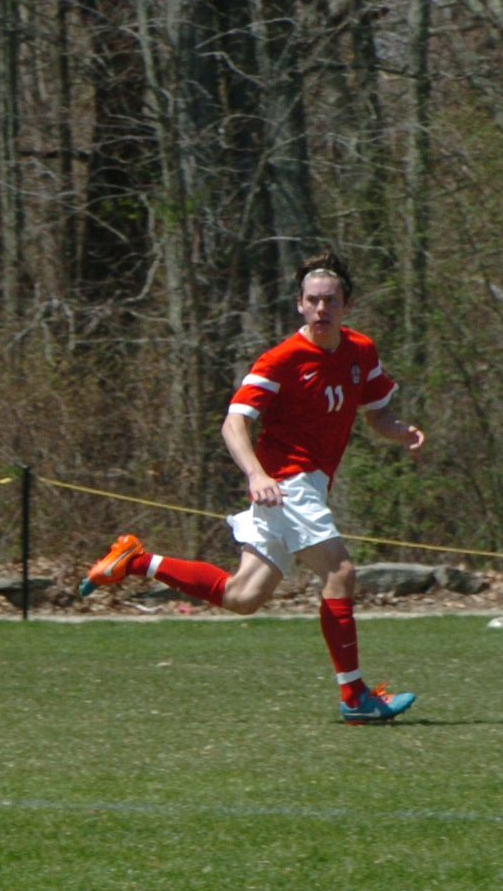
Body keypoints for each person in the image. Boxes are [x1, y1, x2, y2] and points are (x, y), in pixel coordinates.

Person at [81, 250, 428, 722]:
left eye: (330, 300)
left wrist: (402, 432)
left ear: (347, 304)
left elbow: (377, 413)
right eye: (312, 300)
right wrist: (256, 474)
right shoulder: (283, 359)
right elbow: (233, 422)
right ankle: (355, 698)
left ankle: (135, 561)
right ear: (299, 305)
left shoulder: (361, 351)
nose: (321, 308)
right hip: (287, 482)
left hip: (306, 486)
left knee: (243, 596)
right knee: (340, 571)